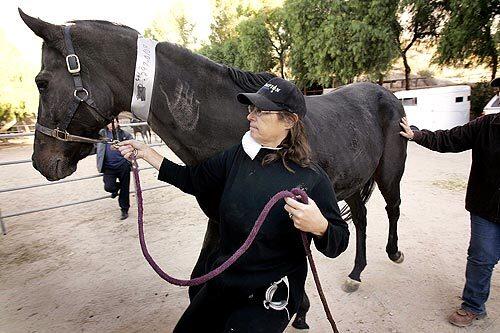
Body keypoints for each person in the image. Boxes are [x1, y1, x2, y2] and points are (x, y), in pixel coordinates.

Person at [117, 77, 349, 333]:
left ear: (289, 121)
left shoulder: (311, 178)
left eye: (261, 111)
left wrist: (321, 226)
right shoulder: (238, 155)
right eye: (251, 109)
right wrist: (147, 153)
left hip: (269, 293)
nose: (251, 116)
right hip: (225, 276)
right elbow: (193, 180)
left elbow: (338, 241)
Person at [399, 113, 499, 327]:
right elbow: (449, 139)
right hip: (486, 207)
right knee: (481, 257)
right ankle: (473, 306)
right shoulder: (486, 125)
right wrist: (416, 135)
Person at [96, 118, 133, 220]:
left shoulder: (124, 134)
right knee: (108, 187)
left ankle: (124, 209)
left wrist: (128, 159)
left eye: (114, 122)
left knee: (125, 189)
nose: (112, 124)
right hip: (108, 166)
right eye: (109, 122)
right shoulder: (101, 135)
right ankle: (117, 189)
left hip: (123, 165)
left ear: (118, 123)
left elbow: (133, 143)